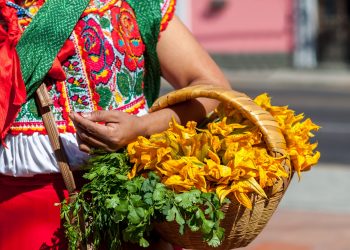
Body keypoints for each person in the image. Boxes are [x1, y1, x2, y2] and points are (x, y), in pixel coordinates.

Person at [0, 0, 230, 249]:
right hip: (19, 216)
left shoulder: (137, 4)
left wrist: (143, 127)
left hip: (131, 205)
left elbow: (212, 90)